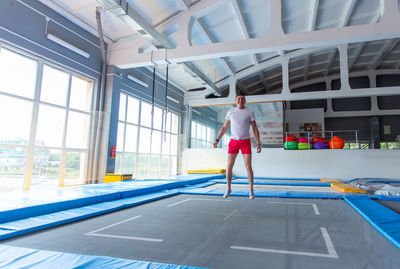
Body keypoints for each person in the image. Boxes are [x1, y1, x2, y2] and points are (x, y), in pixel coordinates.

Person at [213, 91, 261, 199]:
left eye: (242, 99)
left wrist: (258, 143)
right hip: (234, 141)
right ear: (236, 101)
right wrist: (217, 139)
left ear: (245, 100)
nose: (240, 100)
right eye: (238, 99)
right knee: (229, 166)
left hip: (245, 142)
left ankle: (251, 190)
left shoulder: (249, 112)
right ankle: (228, 188)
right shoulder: (231, 112)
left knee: (248, 166)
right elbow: (224, 127)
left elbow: (254, 128)